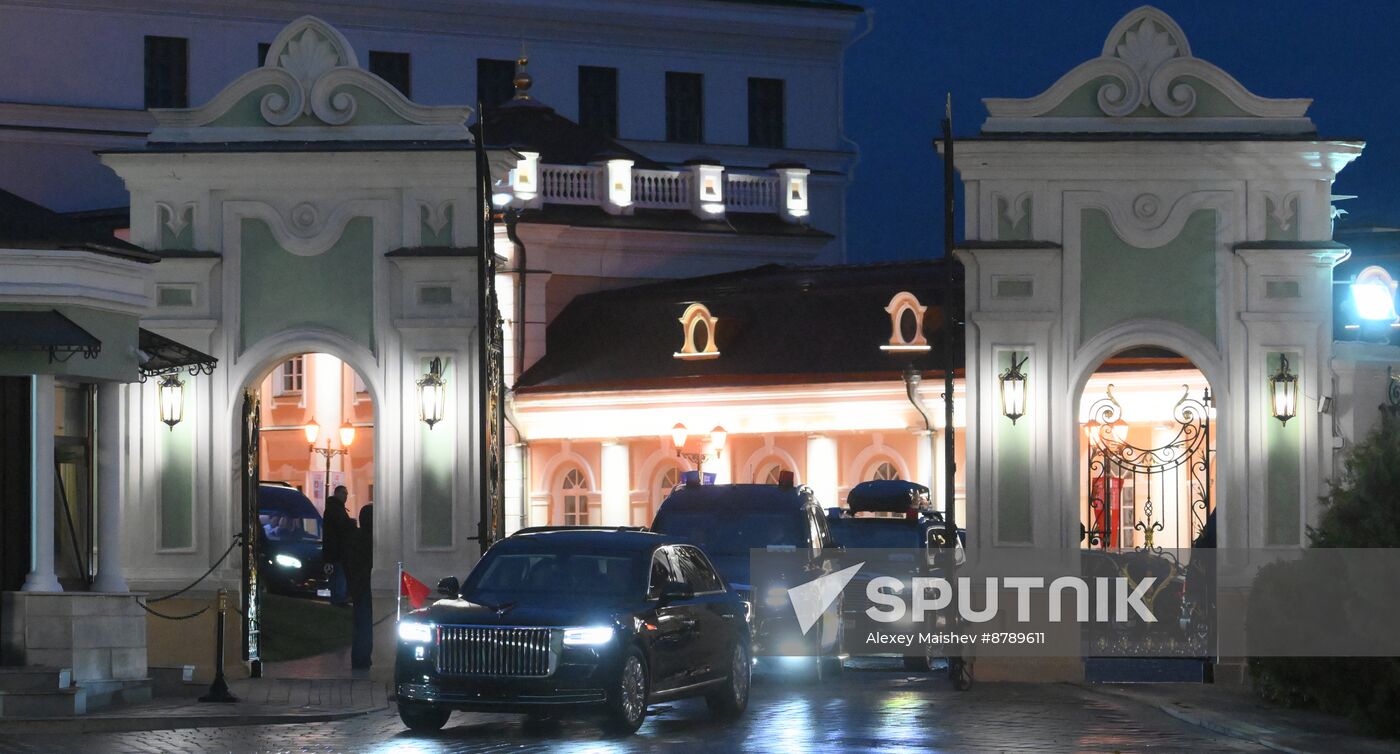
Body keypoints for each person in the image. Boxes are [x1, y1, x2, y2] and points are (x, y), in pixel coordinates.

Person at [348, 503, 374, 669]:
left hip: (357, 584)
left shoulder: (354, 537)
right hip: (365, 584)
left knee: (359, 623)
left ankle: (358, 657)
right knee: (365, 623)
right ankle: (362, 657)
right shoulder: (369, 539)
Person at [322, 487, 354, 606]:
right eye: (343, 493)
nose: (345, 496)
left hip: (335, 550)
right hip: (337, 550)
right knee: (339, 576)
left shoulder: (335, 509)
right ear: (336, 493)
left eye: (346, 494)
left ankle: (337, 599)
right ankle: (338, 600)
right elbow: (339, 529)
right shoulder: (335, 510)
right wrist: (350, 525)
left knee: (337, 577)